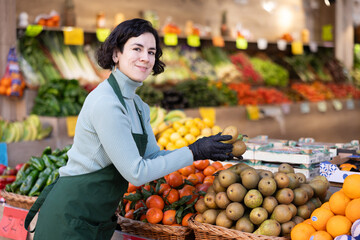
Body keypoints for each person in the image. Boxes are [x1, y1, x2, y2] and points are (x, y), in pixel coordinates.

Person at [25, 18, 235, 240]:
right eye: (137, 48)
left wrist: (202, 150)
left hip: (96, 218)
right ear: (116, 54)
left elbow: (151, 156)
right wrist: (194, 151)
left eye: (152, 52)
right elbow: (136, 172)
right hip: (70, 216)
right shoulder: (106, 102)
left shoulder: (137, 105)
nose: (146, 58)